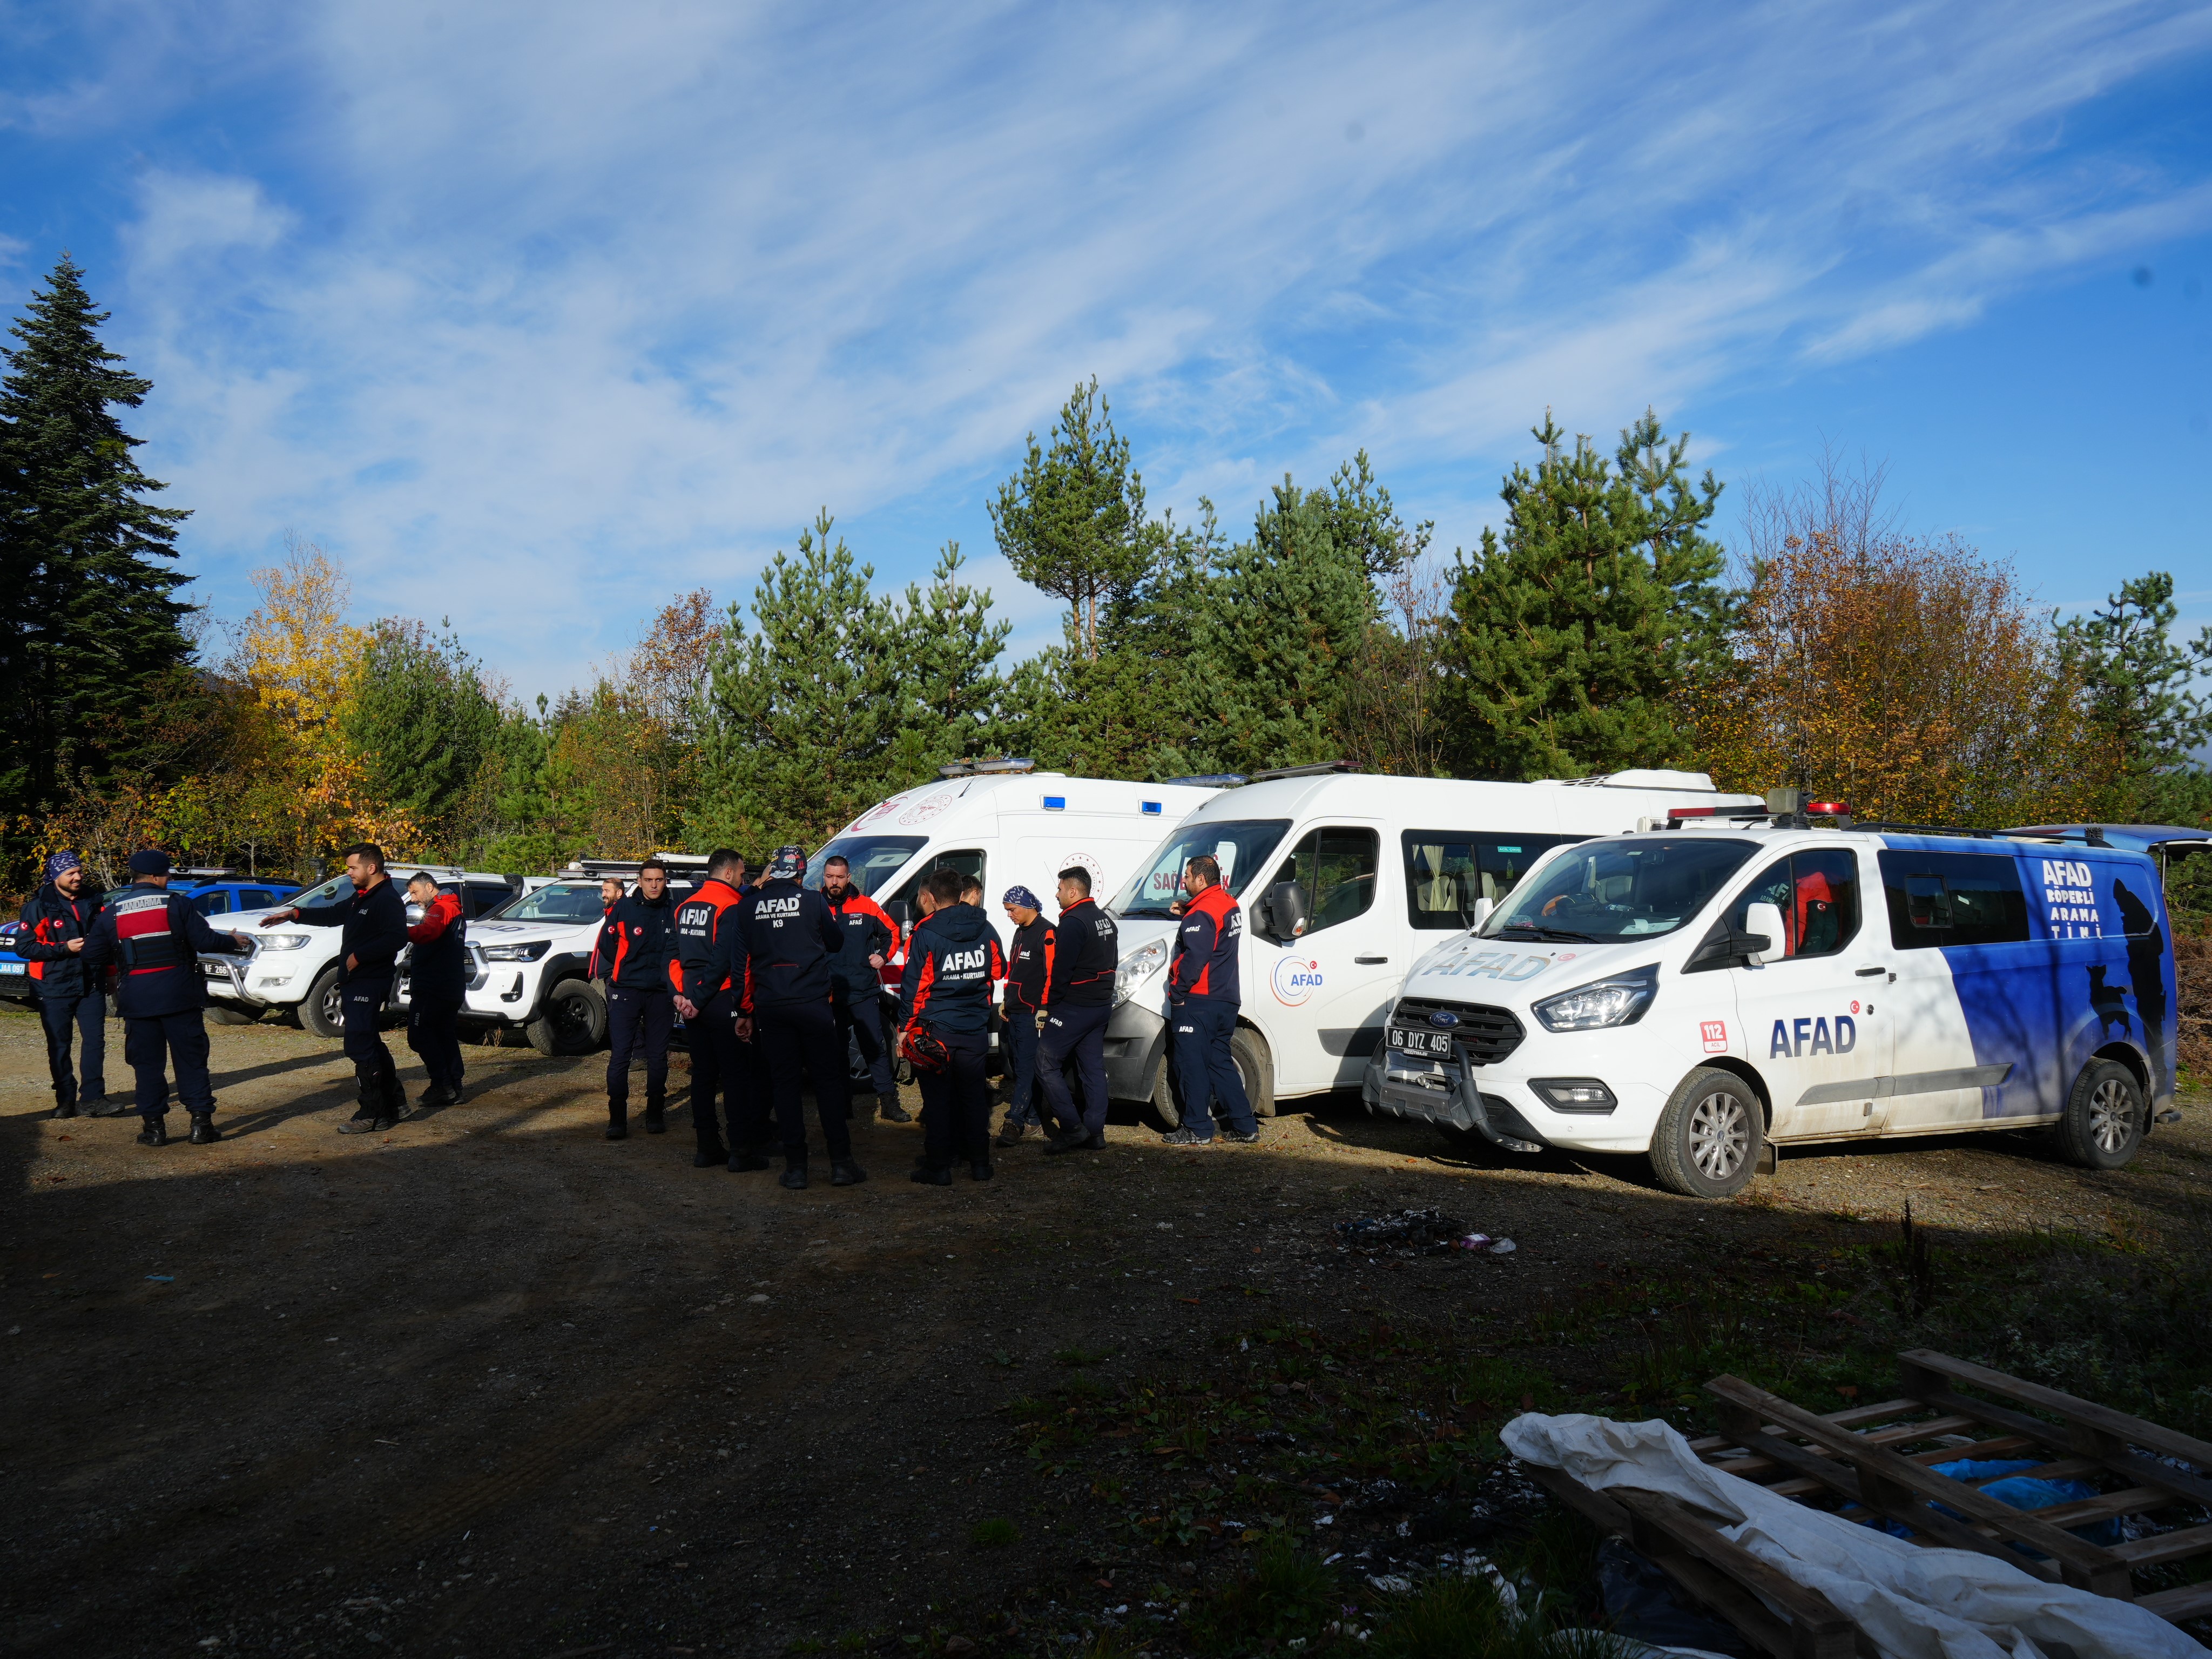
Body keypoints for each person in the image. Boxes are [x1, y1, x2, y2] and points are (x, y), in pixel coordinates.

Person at [77, 849, 253, 1146]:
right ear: (157, 877)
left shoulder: (113, 912)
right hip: (180, 996)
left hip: (137, 1000)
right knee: (191, 1062)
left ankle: (155, 1129)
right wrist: (232, 941)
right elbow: (206, 941)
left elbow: (91, 955)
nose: (169, 879)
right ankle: (201, 1126)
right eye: (168, 875)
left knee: (147, 1066)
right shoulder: (178, 904)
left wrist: (120, 957)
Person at [732, 846, 864, 1190]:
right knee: (828, 1082)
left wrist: (744, 1010)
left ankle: (796, 1168)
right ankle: (841, 1164)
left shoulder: (747, 906)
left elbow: (740, 966)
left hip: (772, 1007)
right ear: (802, 874)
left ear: (772, 872)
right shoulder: (812, 901)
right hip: (812, 1004)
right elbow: (835, 942)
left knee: (785, 1085)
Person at [262, 843, 410, 1134]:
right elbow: (332, 914)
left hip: (369, 981)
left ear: (371, 868)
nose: (349, 873)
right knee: (369, 1044)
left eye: (353, 868)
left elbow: (396, 939)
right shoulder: (362, 897)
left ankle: (372, 1113)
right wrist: (293, 914)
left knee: (359, 1045)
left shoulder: (387, 900)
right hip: (356, 981)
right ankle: (394, 1103)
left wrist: (359, 956)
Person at [902, 867, 1004, 1183]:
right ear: (961, 894)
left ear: (931, 898)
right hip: (974, 1028)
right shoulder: (986, 927)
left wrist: (905, 1027)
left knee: (938, 1101)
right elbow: (998, 970)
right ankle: (980, 1164)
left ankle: (939, 1167)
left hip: (938, 1030)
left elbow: (915, 987)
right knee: (973, 1099)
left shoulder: (926, 932)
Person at [1159, 855, 1260, 1146]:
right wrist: (1188, 909)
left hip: (1198, 1000)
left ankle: (1197, 1129)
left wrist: (1177, 993)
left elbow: (1196, 957)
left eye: (1188, 877)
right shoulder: (1228, 904)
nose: (1184, 881)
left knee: (1191, 1065)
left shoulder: (1201, 914)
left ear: (1201, 879)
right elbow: (1212, 931)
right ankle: (1244, 1126)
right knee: (1219, 1063)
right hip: (1225, 999)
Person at [673, 849, 763, 1169]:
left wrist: (681, 996)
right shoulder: (731, 906)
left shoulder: (684, 906)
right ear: (727, 874)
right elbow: (724, 961)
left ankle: (707, 1146)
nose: (743, 879)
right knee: (736, 1076)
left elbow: (673, 956)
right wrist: (698, 999)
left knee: (703, 1075)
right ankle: (741, 1151)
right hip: (719, 1000)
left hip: (691, 1004)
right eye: (741, 874)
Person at [17, 849, 116, 1119]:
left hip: (91, 983)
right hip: (53, 985)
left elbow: (107, 941)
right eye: (70, 873)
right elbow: (24, 947)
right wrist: (64, 948)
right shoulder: (38, 906)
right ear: (55, 877)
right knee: (59, 1045)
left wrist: (111, 974)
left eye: (79, 871)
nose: (77, 877)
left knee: (95, 1041)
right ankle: (65, 1100)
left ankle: (94, 1099)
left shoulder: (95, 902)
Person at [820, 854, 907, 1123]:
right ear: (824, 877)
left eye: (840, 877)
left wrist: (883, 955)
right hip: (828, 994)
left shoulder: (867, 905)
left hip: (864, 991)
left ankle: (889, 1104)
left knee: (875, 1048)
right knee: (835, 1054)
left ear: (849, 878)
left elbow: (892, 933)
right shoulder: (814, 906)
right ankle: (842, 1107)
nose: (834, 882)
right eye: (829, 877)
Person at [1038, 865, 1117, 1156]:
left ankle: (1072, 1128)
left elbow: (1061, 971)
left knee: (1045, 1062)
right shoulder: (1106, 920)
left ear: (1073, 891)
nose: (1056, 895)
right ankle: (1095, 1133)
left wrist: (1053, 1007)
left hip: (1075, 1006)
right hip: (1100, 1007)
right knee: (1092, 1069)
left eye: (1060, 889)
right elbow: (1113, 964)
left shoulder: (1073, 922)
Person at [599, 860, 678, 1140]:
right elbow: (607, 947)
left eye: (659, 880)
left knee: (658, 1056)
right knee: (620, 1055)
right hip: (626, 992)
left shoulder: (674, 910)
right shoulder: (623, 909)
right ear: (639, 881)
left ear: (665, 881)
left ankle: (655, 1114)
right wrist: (625, 970)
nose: (654, 885)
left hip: (660, 993)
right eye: (649, 880)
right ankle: (617, 1118)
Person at [402, 872, 469, 1109]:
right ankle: (453, 1087)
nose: (412, 899)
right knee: (443, 1035)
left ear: (429, 887)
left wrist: (396, 934)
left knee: (419, 1036)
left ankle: (443, 1085)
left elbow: (428, 932)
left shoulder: (442, 909)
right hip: (446, 985)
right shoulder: (449, 908)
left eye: (415, 892)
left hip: (435, 987)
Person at [995, 886, 1054, 1146]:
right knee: (1020, 1067)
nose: (1009, 915)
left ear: (1027, 906)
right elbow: (1015, 970)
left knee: (1029, 1068)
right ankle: (1033, 1121)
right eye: (1007, 911)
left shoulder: (1047, 932)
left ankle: (1015, 1121)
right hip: (1015, 1010)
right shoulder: (1020, 932)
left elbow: (1052, 974)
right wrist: (1006, 1001)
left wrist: (1045, 1007)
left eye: (1012, 910)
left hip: (1033, 1013)